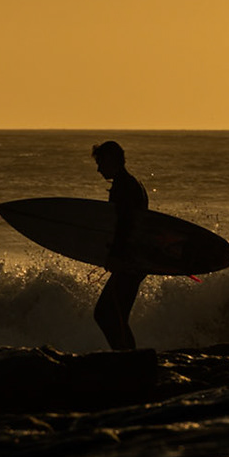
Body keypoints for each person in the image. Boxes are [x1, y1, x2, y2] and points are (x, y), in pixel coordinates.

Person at [91, 140, 147, 351]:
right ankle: (127, 356)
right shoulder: (130, 183)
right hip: (134, 259)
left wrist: (115, 255)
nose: (98, 169)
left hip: (129, 261)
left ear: (111, 160)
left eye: (100, 163)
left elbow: (125, 225)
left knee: (107, 313)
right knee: (115, 314)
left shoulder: (124, 187)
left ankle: (127, 357)